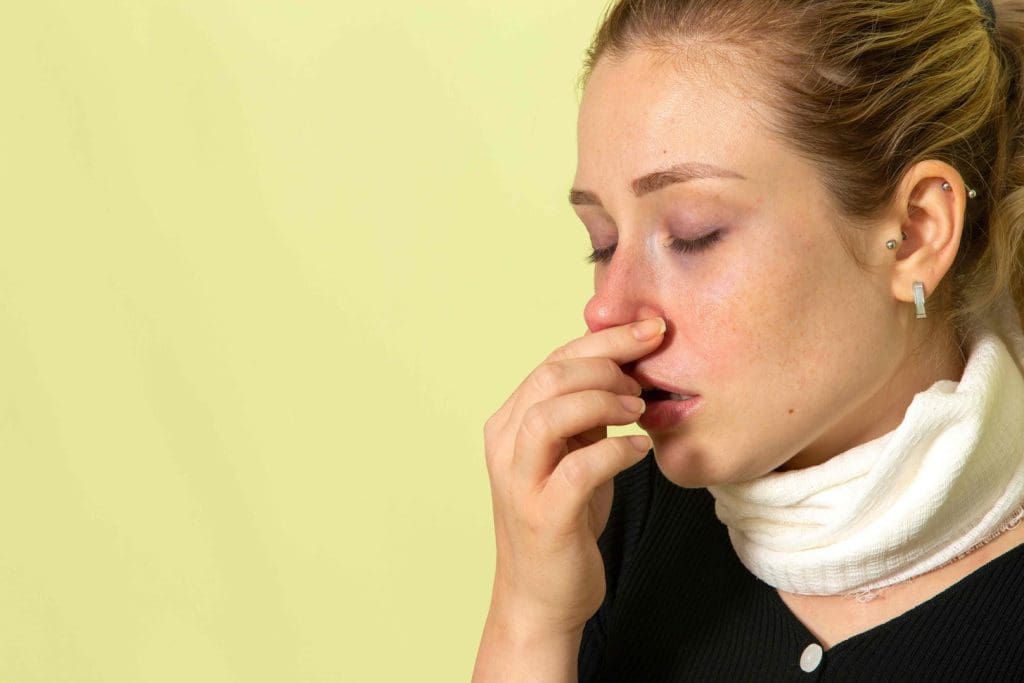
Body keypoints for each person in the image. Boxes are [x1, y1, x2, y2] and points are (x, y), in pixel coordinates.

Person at [472, 0, 1024, 679]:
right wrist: (528, 619)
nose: (606, 309)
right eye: (602, 242)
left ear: (913, 231)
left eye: (694, 232)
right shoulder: (610, 518)